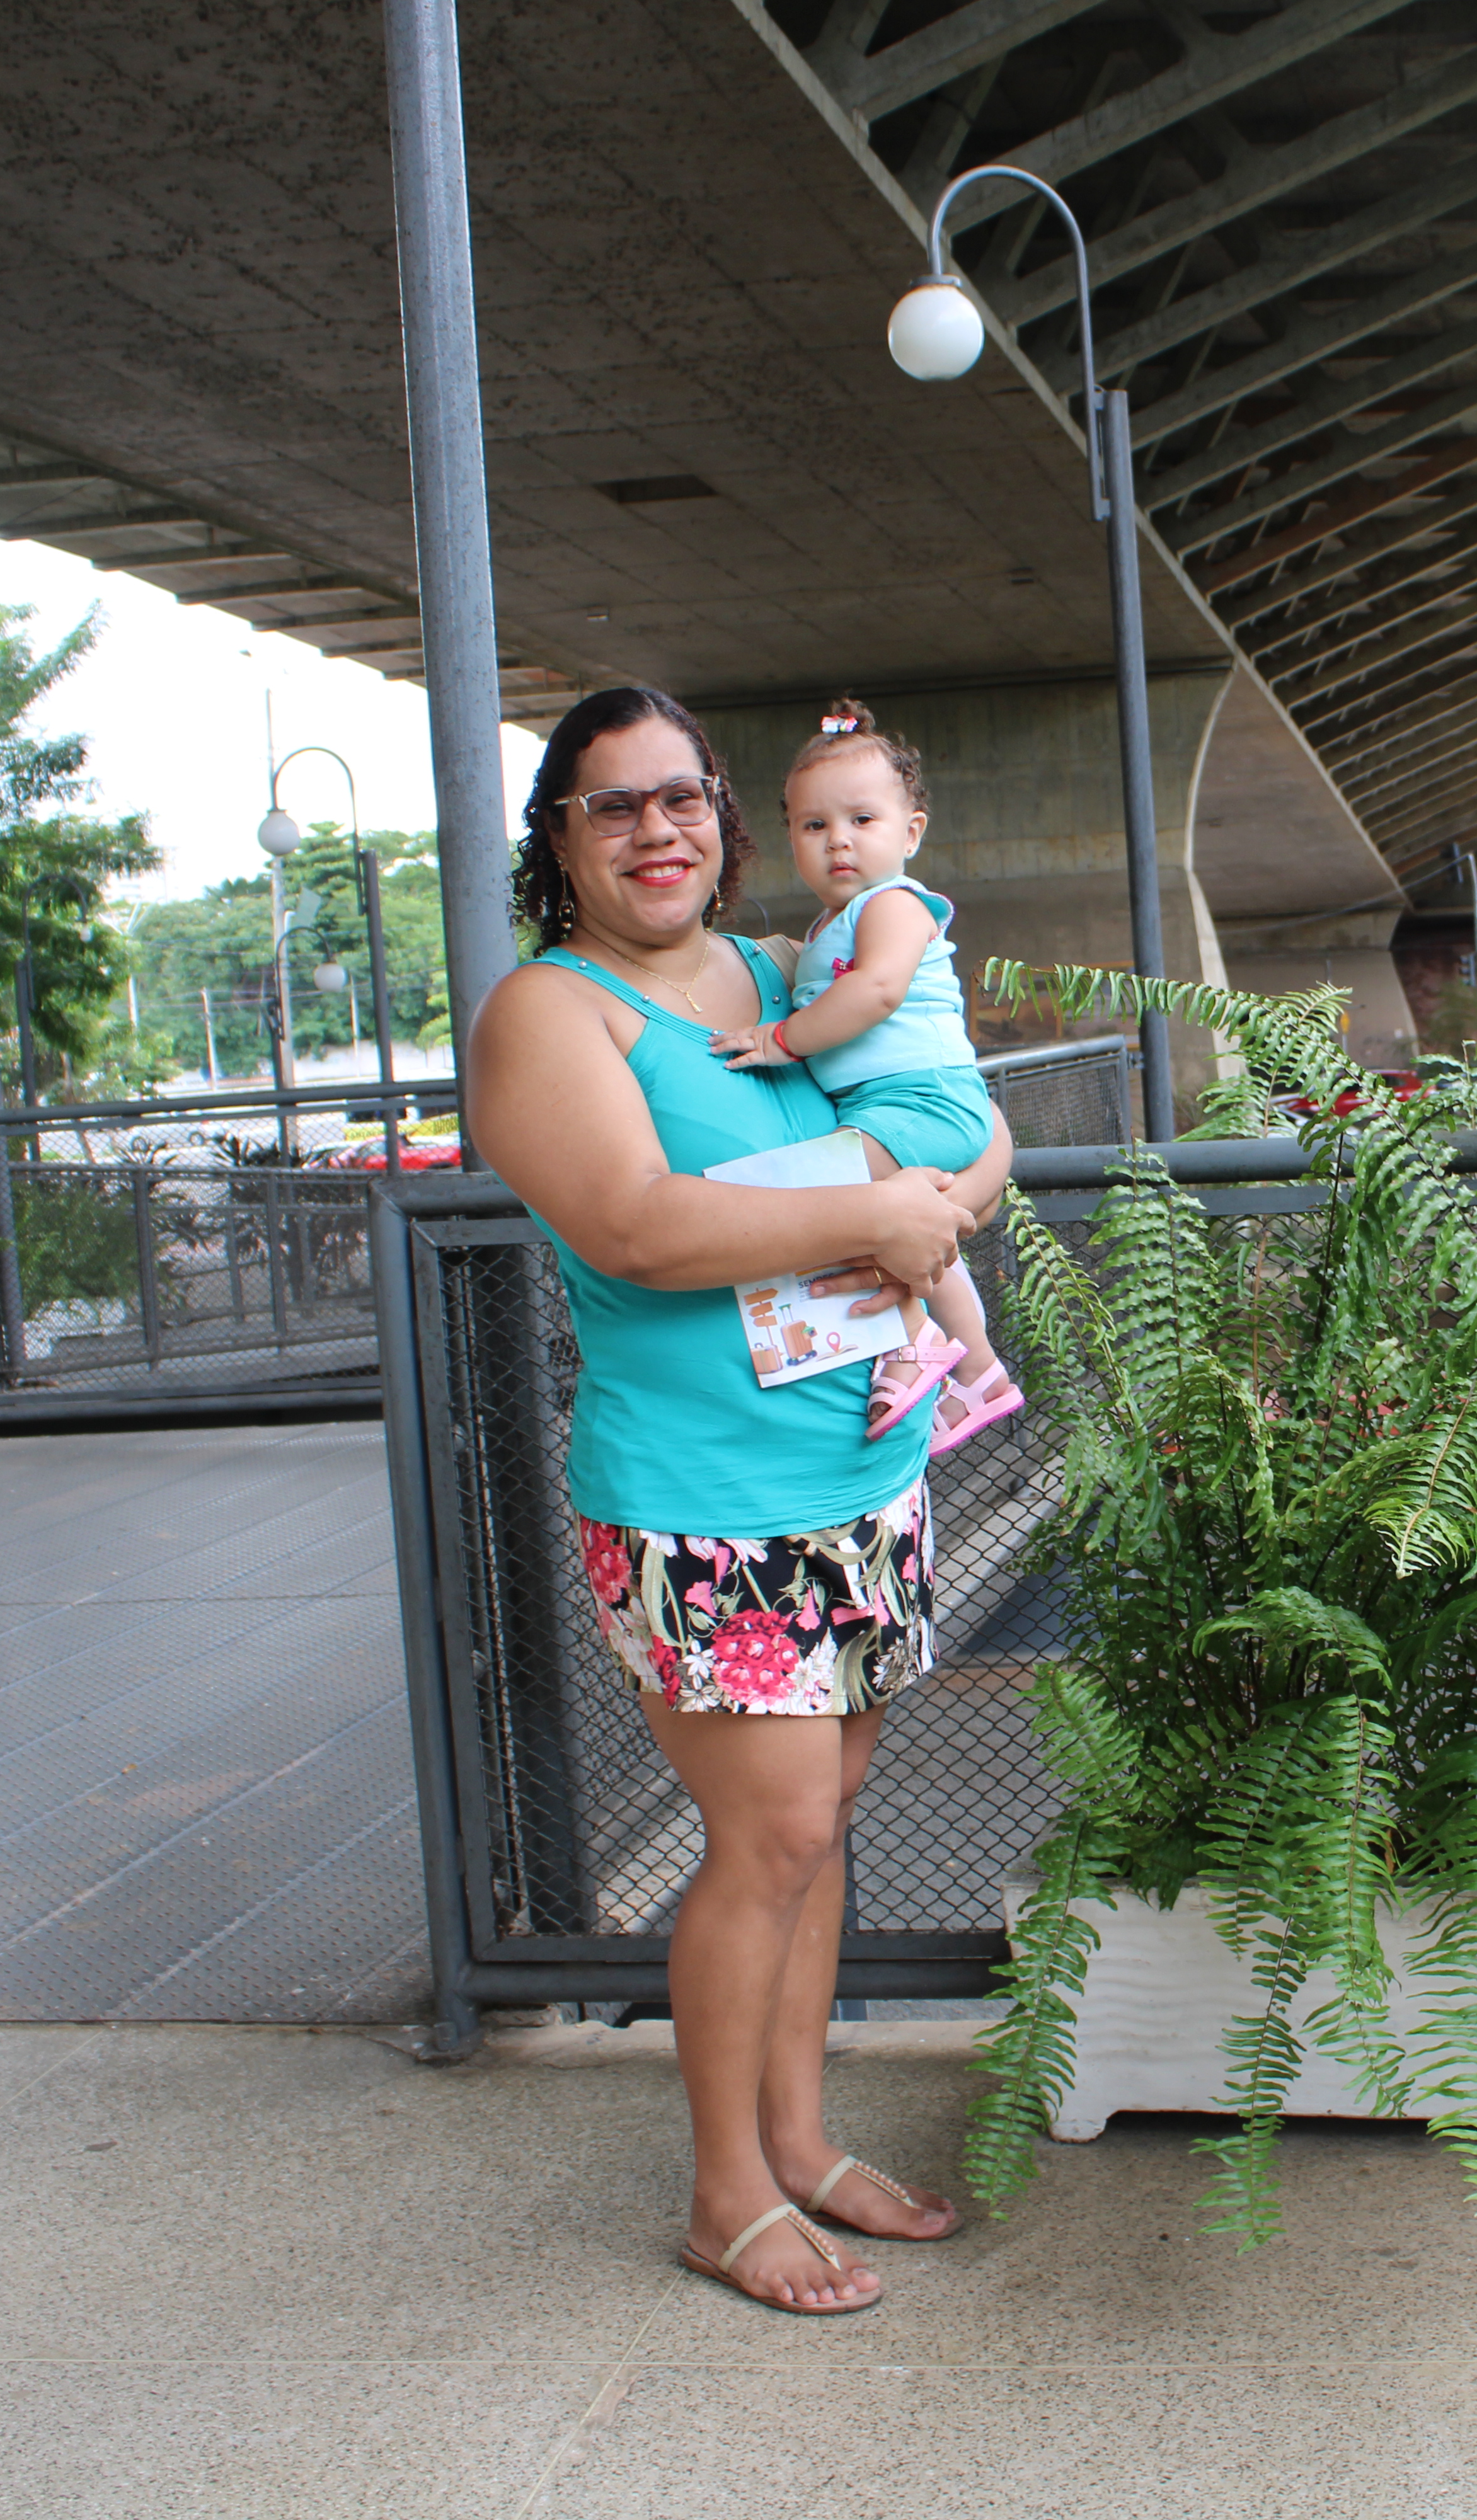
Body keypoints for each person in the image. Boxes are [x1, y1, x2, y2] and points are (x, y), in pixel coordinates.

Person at [468, 684, 1009, 2316]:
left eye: (683, 798)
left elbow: (964, 1126)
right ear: (559, 842)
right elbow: (635, 1227)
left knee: (817, 1832)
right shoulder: (547, 1018)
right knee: (766, 1833)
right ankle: (724, 2195)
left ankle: (801, 2138)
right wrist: (884, 1211)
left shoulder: (788, 978)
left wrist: (941, 1198)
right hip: (703, 1502)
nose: (657, 830)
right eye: (614, 805)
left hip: (859, 1466)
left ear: (727, 822)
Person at [715, 700, 1025, 1456]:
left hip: (923, 1098)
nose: (838, 842)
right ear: (789, 835)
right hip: (895, 1102)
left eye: (862, 820)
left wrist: (781, 1039)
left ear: (911, 832)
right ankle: (979, 1372)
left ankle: (919, 1342)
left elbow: (879, 989)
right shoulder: (823, 929)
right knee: (887, 1215)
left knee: (835, 1204)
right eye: (814, 826)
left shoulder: (895, 905)